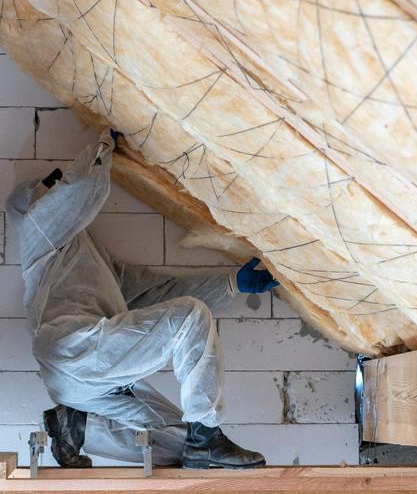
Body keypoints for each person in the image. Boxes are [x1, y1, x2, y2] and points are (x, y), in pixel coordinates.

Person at [6, 129, 279, 469]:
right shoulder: (36, 228)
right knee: (191, 319)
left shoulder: (89, 257)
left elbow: (155, 293)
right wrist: (105, 143)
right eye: (50, 190)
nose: (57, 191)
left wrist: (230, 284)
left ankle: (77, 428)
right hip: (75, 352)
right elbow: (79, 191)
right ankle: (208, 434)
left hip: (86, 378)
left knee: (179, 442)